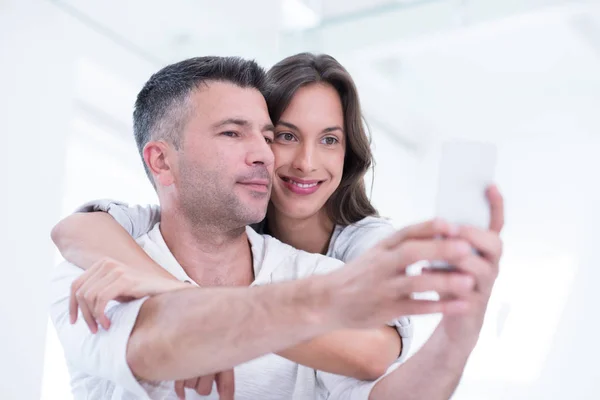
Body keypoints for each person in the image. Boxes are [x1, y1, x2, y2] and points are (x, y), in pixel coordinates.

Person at [49, 55, 504, 400]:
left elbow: (375, 374)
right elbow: (153, 344)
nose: (266, 155)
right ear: (161, 160)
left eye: (267, 137)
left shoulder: (327, 270)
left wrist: (454, 339)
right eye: (233, 133)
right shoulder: (94, 271)